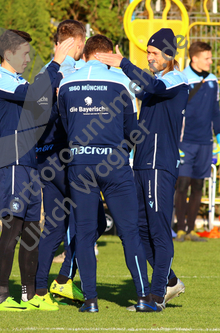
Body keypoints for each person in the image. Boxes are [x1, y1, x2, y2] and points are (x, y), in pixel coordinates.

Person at [59, 34, 156, 313]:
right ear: (108, 54)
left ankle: (90, 301)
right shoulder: (121, 81)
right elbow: (132, 130)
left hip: (79, 162)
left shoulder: (67, 81)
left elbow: (65, 124)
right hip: (113, 162)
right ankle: (143, 297)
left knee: (86, 234)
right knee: (129, 232)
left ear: (87, 54)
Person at [96, 28, 188, 309]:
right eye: (147, 52)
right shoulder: (155, 82)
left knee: (159, 231)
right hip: (140, 165)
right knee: (135, 229)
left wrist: (123, 63)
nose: (149, 57)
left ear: (168, 55)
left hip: (160, 167)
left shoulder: (175, 80)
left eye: (153, 53)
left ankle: (156, 295)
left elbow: (151, 87)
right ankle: (169, 281)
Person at [0, 29, 74, 311]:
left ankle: (29, 295)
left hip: (30, 163)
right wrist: (56, 63)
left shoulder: (18, 81)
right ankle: (1, 297)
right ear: (9, 54)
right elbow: (35, 94)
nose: (28, 58)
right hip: (11, 163)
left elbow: (41, 104)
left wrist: (58, 81)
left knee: (32, 231)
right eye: (24, 53)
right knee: (13, 230)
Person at [35, 20, 107, 306]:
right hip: (65, 158)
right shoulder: (74, 73)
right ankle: (64, 279)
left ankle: (41, 290)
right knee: (94, 221)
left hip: (45, 157)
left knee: (54, 226)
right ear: (77, 43)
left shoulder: (45, 70)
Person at [174, 41, 220, 242]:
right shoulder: (182, 79)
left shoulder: (213, 81)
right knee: (182, 183)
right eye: (207, 58)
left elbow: (216, 113)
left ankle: (191, 229)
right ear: (195, 59)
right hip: (185, 142)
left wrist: (218, 139)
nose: (211, 61)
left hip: (205, 142)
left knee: (198, 184)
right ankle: (180, 228)